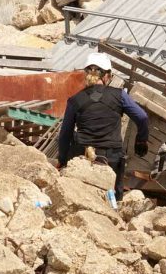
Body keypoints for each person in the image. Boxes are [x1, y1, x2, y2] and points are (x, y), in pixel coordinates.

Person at [58, 52, 149, 200]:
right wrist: (141, 140)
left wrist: (62, 161)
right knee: (113, 201)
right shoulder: (120, 96)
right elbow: (142, 117)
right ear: (107, 76)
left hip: (83, 157)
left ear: (86, 74)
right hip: (112, 158)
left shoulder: (75, 100)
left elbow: (65, 135)